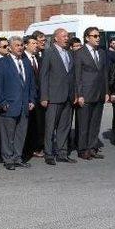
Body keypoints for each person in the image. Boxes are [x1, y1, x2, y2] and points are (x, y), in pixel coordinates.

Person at [0, 36, 36, 170]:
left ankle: (18, 157)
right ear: (10, 48)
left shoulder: (26, 62)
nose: (20, 47)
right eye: (17, 45)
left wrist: (32, 99)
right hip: (9, 105)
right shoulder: (2, 62)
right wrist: (1, 102)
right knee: (7, 135)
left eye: (21, 45)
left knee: (20, 133)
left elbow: (31, 83)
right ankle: (8, 159)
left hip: (24, 104)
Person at [39, 28, 76, 165]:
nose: (67, 38)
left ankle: (62, 153)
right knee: (50, 127)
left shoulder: (69, 53)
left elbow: (72, 76)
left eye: (68, 36)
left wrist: (75, 94)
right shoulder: (49, 53)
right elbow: (44, 76)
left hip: (68, 97)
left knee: (64, 126)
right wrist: (44, 96)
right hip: (53, 96)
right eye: (64, 36)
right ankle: (49, 153)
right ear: (56, 38)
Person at [74, 27, 109, 160]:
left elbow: (104, 73)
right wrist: (79, 94)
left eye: (98, 35)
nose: (98, 38)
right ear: (87, 38)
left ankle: (92, 147)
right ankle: (83, 149)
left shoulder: (101, 52)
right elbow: (77, 76)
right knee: (84, 124)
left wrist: (106, 91)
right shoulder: (80, 53)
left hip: (99, 93)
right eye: (94, 36)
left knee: (95, 123)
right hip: (86, 94)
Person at [23, 35, 45, 158]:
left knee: (38, 124)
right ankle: (27, 149)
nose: (36, 45)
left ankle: (36, 147)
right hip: (28, 97)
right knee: (28, 124)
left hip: (39, 97)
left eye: (36, 43)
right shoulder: (23, 58)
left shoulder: (37, 58)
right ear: (26, 45)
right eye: (33, 43)